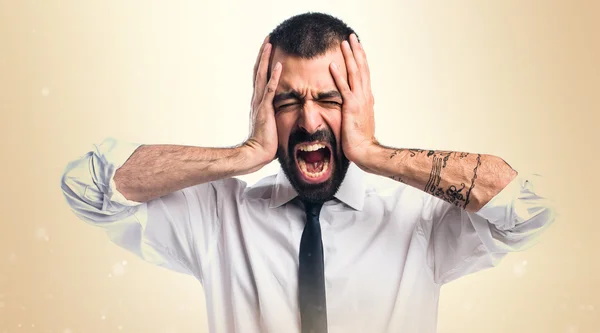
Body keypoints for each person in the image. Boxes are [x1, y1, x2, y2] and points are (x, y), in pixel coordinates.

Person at [60, 12, 555, 333]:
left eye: (330, 100)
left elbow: (527, 211)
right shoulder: (218, 217)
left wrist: (374, 152)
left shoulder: (418, 219)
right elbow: (90, 186)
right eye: (288, 100)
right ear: (264, 107)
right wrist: (243, 154)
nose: (310, 120)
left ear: (361, 106)